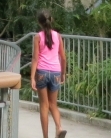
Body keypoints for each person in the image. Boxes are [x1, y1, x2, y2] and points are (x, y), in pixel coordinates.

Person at [31, 9, 67, 138]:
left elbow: (35, 58)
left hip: (42, 72)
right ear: (51, 20)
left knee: (44, 106)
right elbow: (63, 57)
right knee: (53, 104)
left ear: (39, 22)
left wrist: (32, 78)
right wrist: (63, 74)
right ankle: (59, 127)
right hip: (56, 72)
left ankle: (45, 137)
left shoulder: (37, 37)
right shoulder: (58, 36)